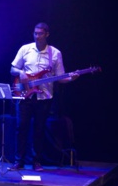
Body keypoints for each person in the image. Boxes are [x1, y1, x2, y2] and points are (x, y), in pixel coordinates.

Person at [10, 23, 78, 172]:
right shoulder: (25, 49)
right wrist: (21, 73)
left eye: (40, 33)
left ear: (47, 34)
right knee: (21, 127)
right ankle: (18, 160)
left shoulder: (55, 53)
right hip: (25, 95)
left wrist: (71, 78)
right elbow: (13, 68)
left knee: (39, 129)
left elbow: (60, 77)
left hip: (44, 97)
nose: (37, 36)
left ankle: (36, 161)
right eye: (35, 33)